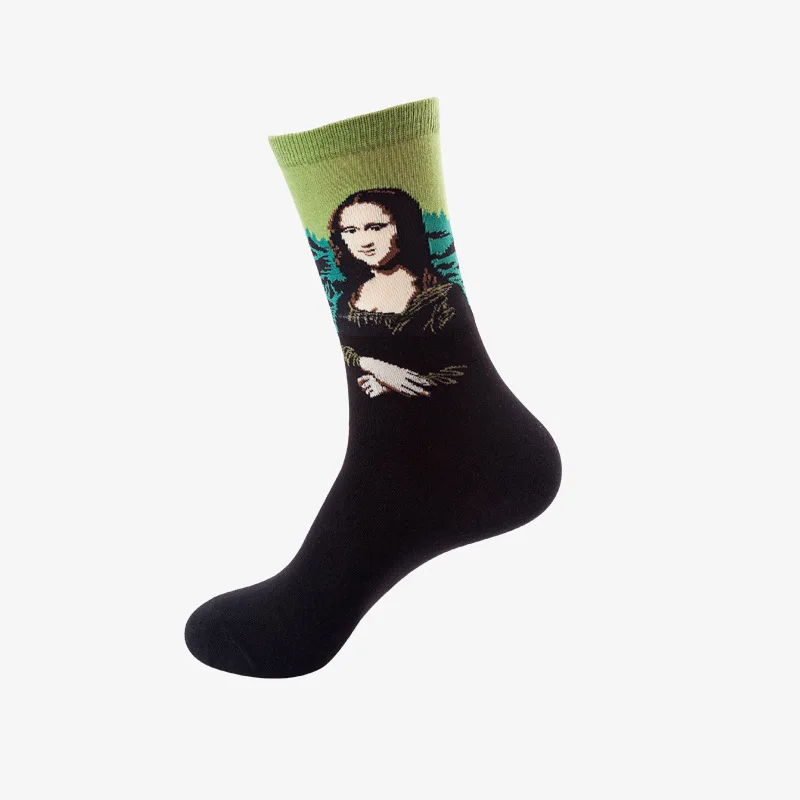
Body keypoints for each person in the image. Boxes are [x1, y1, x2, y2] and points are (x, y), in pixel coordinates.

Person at [328, 188, 467, 398]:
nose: (364, 241)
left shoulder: (442, 296)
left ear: (403, 226)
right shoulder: (349, 299)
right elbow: (348, 352)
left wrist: (388, 386)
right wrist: (371, 365)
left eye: (376, 227)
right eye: (350, 231)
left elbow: (465, 370)